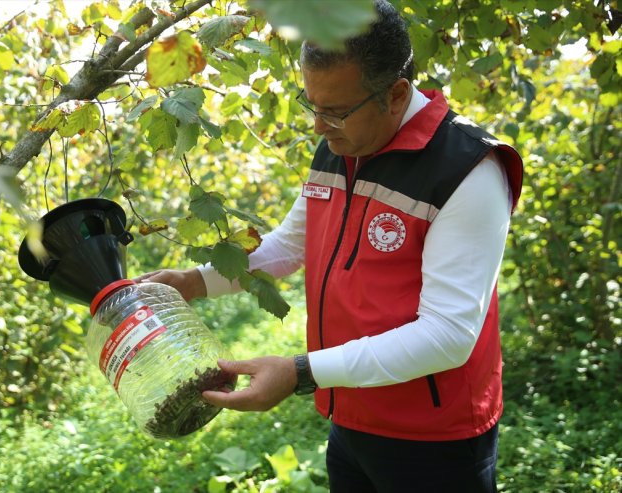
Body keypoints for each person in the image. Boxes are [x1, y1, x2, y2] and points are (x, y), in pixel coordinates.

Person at [136, 1, 523, 491]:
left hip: (434, 438)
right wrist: (194, 281)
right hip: (350, 413)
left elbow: (448, 334)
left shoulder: (468, 170)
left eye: (335, 111)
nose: (318, 126)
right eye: (311, 105)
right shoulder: (343, 142)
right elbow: (292, 244)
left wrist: (300, 373)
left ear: (397, 94)